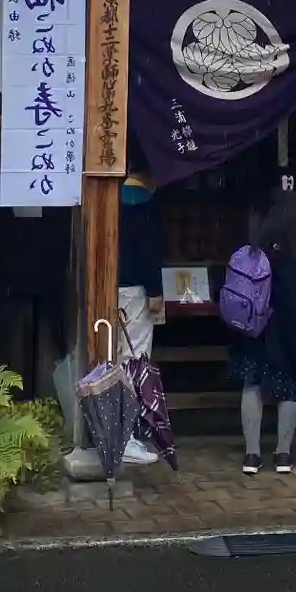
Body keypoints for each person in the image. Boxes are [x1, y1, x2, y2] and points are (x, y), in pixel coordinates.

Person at [227, 182, 296, 475]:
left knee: (253, 382)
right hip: (291, 322)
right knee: (289, 385)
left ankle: (252, 455)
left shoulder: (257, 238)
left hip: (256, 322)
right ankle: (283, 454)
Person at [118, 167, 165, 465]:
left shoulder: (111, 196)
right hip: (135, 291)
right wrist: (155, 290)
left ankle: (113, 430)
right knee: (135, 360)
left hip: (109, 287)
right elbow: (148, 251)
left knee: (114, 358)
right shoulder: (144, 203)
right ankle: (125, 437)